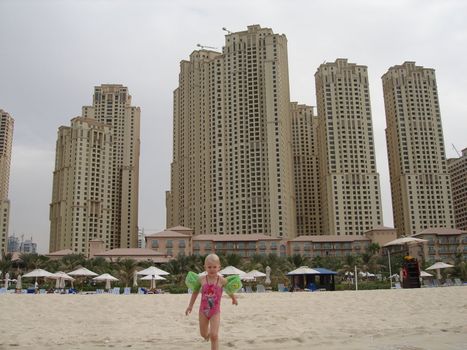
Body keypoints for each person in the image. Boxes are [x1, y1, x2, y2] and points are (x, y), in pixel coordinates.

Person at [185, 254, 241, 350]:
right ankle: (206, 336)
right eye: (209, 267)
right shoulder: (201, 279)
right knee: (203, 334)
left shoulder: (221, 280)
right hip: (203, 311)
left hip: (215, 312)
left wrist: (233, 298)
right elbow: (195, 292)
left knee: (214, 336)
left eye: (214, 267)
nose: (212, 269)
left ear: (219, 267)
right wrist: (190, 306)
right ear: (205, 267)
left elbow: (229, 290)